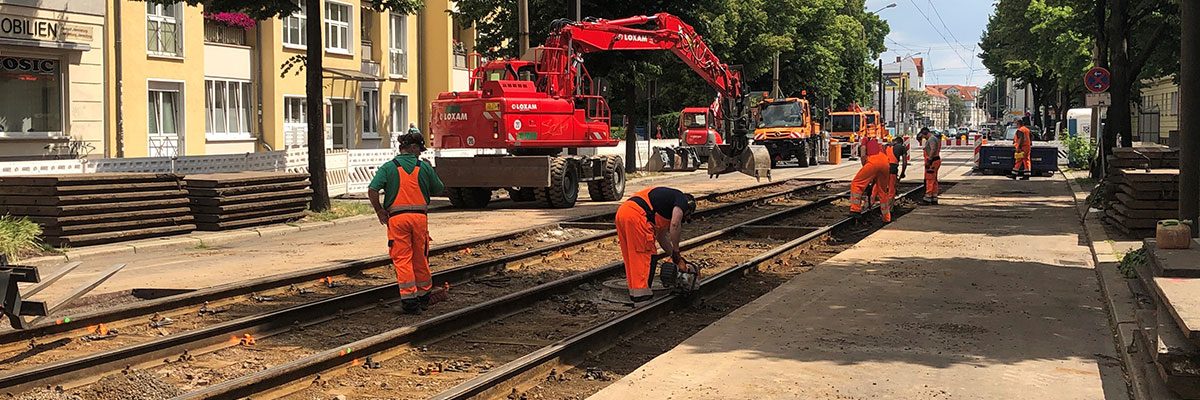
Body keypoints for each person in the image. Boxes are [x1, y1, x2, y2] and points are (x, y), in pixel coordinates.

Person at [367, 133, 444, 314]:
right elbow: (439, 188)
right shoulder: (423, 167)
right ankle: (424, 296)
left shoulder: (388, 167)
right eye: (419, 149)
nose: (420, 153)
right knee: (420, 257)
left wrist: (379, 210)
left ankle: (409, 302)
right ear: (413, 148)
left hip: (397, 219)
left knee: (402, 259)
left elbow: (372, 189)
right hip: (419, 218)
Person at [615, 186, 697, 306]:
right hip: (638, 217)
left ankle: (635, 293)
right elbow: (675, 224)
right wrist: (676, 251)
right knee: (647, 255)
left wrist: (675, 258)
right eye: (685, 218)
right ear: (687, 209)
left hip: (623, 213)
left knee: (632, 257)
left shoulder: (664, 205)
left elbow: (661, 237)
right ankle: (642, 297)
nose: (683, 220)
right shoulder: (682, 201)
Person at [849, 135, 891, 221]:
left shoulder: (865, 139)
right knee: (882, 191)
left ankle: (855, 209)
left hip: (873, 162)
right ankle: (886, 218)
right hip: (885, 163)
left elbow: (863, 153)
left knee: (856, 183)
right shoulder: (878, 141)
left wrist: (865, 166)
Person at [871, 135, 908, 223]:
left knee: (878, 187)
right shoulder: (901, 147)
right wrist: (902, 173)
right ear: (900, 142)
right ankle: (888, 209)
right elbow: (904, 162)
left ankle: (870, 203)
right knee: (891, 190)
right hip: (892, 170)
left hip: (882, 168)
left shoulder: (885, 146)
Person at [921, 127, 942, 204]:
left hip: (932, 162)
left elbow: (933, 149)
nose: (924, 138)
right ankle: (934, 197)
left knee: (929, 179)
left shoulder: (931, 139)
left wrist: (929, 159)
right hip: (935, 161)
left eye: (923, 136)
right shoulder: (933, 138)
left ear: (925, 133)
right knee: (934, 179)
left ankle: (928, 197)